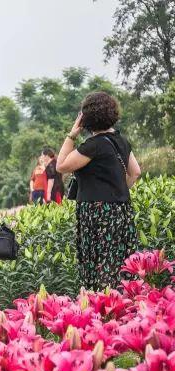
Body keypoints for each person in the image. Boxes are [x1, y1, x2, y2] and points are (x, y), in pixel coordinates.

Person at [56, 92, 141, 289]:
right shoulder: (121, 141)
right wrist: (116, 190)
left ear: (86, 119)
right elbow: (135, 172)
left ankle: (102, 308)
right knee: (120, 261)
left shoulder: (93, 145)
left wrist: (72, 134)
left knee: (98, 263)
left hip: (96, 212)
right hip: (121, 209)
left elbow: (61, 165)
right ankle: (125, 306)